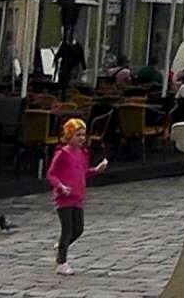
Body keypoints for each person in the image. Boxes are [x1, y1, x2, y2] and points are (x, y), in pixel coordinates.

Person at [46, 118, 108, 275]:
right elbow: (51, 174)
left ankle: (61, 246)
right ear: (69, 136)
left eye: (83, 135)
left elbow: (83, 172)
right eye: (77, 135)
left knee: (78, 229)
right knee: (67, 229)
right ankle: (62, 262)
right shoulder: (62, 154)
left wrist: (96, 170)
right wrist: (60, 186)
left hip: (78, 197)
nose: (81, 138)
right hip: (64, 198)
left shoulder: (82, 154)